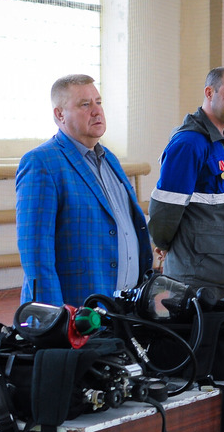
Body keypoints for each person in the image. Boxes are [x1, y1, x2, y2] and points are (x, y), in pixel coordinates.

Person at [15, 74, 153, 307]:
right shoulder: (42, 162)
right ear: (60, 115)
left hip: (123, 307)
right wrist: (53, 318)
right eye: (85, 104)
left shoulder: (109, 160)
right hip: (78, 309)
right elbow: (36, 253)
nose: (97, 111)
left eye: (98, 102)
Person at [148, 67, 224, 301]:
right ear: (209, 93)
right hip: (193, 275)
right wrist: (161, 242)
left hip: (222, 270)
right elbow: (166, 206)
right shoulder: (190, 142)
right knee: (194, 336)